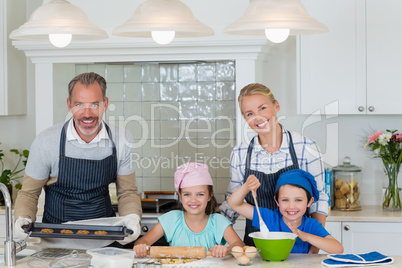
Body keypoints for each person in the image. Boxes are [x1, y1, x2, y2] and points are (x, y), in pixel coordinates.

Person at [13, 72, 142, 245]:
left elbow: (127, 192)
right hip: (55, 241)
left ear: (106, 104)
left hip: (104, 241)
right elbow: (29, 193)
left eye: (94, 104)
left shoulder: (122, 139)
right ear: (69, 105)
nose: (87, 114)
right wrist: (23, 219)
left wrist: (132, 218)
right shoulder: (46, 141)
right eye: (79, 104)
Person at [219, 83, 329, 251]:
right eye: (250, 113)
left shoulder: (305, 146)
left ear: (276, 106)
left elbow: (319, 198)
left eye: (262, 108)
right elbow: (232, 202)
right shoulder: (240, 152)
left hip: (298, 245)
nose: (258, 117)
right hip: (255, 246)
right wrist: (214, 233)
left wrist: (314, 245)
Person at [133, 162, 245, 258]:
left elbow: (239, 244)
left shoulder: (218, 221)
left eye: (200, 194)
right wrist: (141, 246)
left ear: (210, 196)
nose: (193, 200)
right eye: (187, 194)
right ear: (180, 196)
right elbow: (142, 242)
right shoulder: (171, 219)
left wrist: (226, 249)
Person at [228, 169, 343, 254]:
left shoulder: (311, 226)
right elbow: (234, 203)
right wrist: (247, 186)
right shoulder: (268, 218)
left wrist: (307, 237)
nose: (291, 206)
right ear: (277, 201)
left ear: (309, 202)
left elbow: (338, 249)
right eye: (285, 200)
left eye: (298, 200)